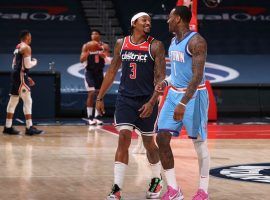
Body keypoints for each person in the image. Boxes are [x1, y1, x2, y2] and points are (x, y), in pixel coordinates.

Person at [96, 12, 166, 200]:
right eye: (144, 20)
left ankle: (156, 179)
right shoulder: (122, 43)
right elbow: (111, 72)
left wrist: (152, 102)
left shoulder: (156, 45)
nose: (148, 23)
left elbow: (160, 78)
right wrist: (100, 97)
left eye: (150, 21)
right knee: (124, 138)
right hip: (125, 99)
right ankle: (117, 187)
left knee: (149, 143)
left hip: (147, 100)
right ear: (134, 23)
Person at [155, 6, 210, 200]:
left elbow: (197, 76)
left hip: (194, 96)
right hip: (173, 95)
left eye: (170, 17)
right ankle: (173, 189)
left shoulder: (196, 41)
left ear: (178, 19)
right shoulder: (173, 41)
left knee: (199, 143)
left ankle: (203, 191)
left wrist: (184, 103)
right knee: (161, 138)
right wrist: (166, 81)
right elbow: (178, 72)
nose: (167, 20)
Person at [2, 30, 44, 136]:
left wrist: (26, 76)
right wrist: (35, 61)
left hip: (16, 75)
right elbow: (28, 65)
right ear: (27, 37)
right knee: (28, 100)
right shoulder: (27, 47)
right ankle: (29, 127)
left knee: (13, 101)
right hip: (20, 76)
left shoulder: (17, 47)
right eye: (30, 37)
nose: (31, 39)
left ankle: (7, 127)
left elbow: (14, 65)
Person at [80, 29, 110, 125]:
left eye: (96, 33)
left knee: (99, 94)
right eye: (92, 34)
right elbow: (81, 60)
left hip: (99, 72)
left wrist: (102, 55)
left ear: (99, 35)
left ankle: (97, 117)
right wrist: (88, 53)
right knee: (91, 92)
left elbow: (108, 60)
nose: (93, 35)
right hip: (89, 72)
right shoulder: (86, 46)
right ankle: (89, 117)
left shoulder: (104, 46)